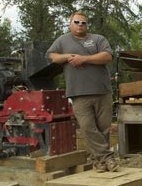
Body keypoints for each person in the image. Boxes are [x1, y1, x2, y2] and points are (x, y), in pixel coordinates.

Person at [47, 11, 117, 172]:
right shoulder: (62, 40)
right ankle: (108, 158)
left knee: (104, 129)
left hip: (102, 91)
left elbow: (107, 56)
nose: (80, 25)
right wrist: (68, 57)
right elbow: (52, 56)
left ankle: (98, 162)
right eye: (77, 22)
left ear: (87, 25)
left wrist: (83, 59)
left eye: (83, 23)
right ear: (70, 24)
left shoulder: (98, 39)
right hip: (78, 93)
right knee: (87, 128)